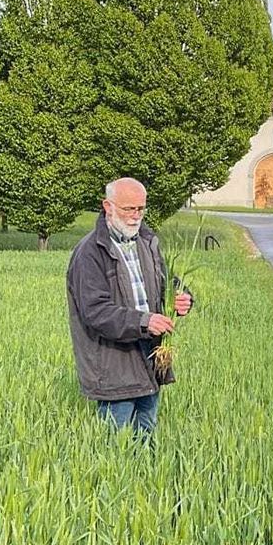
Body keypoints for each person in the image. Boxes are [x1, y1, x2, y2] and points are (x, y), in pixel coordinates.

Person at [66, 178, 193, 435]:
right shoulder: (89, 253)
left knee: (146, 446)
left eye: (140, 209)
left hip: (151, 361)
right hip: (114, 366)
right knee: (115, 449)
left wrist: (182, 298)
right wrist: (144, 321)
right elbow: (96, 312)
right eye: (128, 209)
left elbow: (169, 283)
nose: (136, 216)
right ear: (107, 206)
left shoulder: (147, 242)